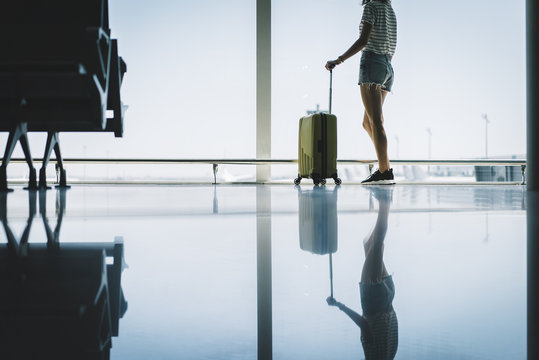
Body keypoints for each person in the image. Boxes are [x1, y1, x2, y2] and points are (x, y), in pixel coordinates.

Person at [326, 0, 397, 184]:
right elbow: (392, 47)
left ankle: (383, 171)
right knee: (367, 123)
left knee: (376, 121)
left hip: (373, 63)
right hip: (387, 66)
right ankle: (385, 168)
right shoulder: (390, 10)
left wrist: (339, 60)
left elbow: (363, 41)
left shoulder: (371, 7)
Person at [327, 187, 398, 359]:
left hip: (388, 298)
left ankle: (384, 204)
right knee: (375, 246)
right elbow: (365, 326)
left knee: (371, 245)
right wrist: (339, 306)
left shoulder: (389, 355)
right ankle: (384, 201)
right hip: (373, 301)